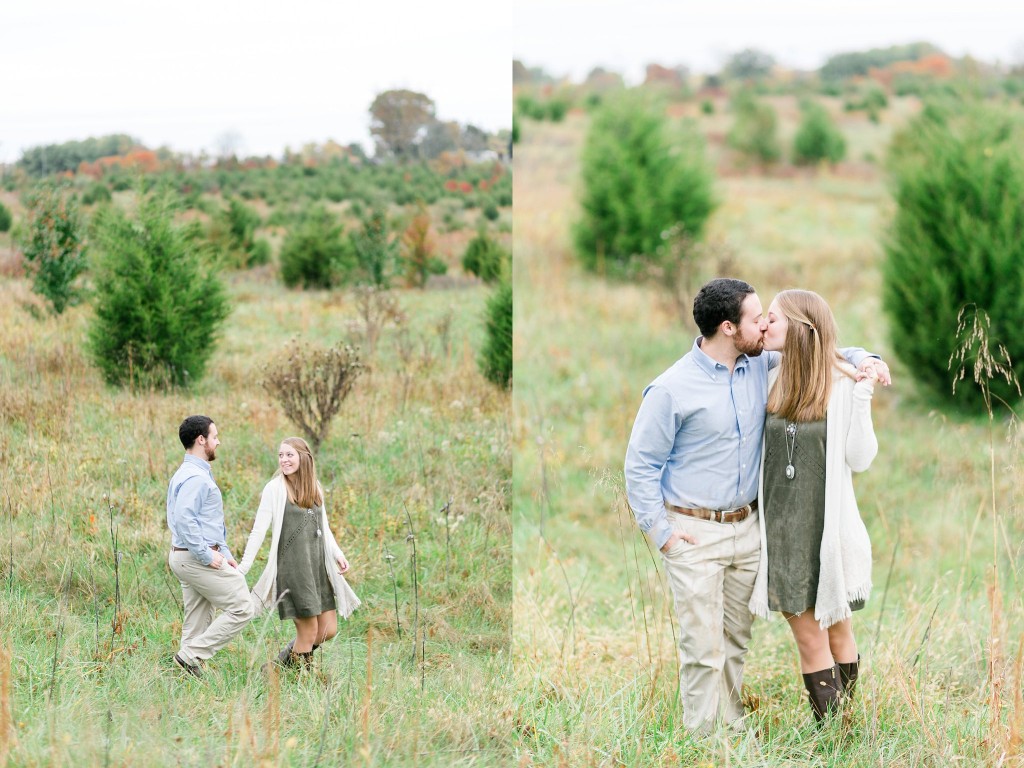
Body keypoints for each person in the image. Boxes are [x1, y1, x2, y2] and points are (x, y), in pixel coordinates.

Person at [623, 278, 889, 734]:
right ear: (729, 328)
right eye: (757, 317)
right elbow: (640, 465)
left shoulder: (759, 365)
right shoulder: (674, 388)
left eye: (770, 316)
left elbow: (822, 346)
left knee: (734, 642)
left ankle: (737, 728)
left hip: (751, 529)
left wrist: (868, 360)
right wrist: (661, 532)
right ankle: (706, 742)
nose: (764, 325)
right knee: (704, 647)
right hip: (698, 531)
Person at [748, 289, 878, 724]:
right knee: (811, 634)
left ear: (800, 328)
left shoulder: (843, 381)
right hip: (782, 532)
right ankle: (842, 729)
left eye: (772, 319)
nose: (764, 326)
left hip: (825, 530)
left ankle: (840, 733)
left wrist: (863, 397)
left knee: (836, 627)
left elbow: (861, 459)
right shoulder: (767, 374)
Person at [238, 437, 360, 670]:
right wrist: (244, 565)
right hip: (293, 569)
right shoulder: (274, 488)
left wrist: (337, 554)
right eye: (281, 455)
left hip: (317, 568)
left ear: (304, 457)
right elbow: (258, 530)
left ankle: (277, 667)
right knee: (309, 630)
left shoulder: (315, 487)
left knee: (328, 629)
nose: (284, 460)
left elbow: (324, 526)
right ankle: (301, 681)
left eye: (289, 455)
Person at [167, 415, 255, 678]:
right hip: (194, 556)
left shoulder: (190, 473)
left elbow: (208, 522)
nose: (219, 442)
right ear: (201, 440)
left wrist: (224, 553)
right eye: (215, 437)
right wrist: (206, 555)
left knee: (197, 618)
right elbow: (185, 519)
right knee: (242, 607)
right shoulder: (195, 477)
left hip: (185, 556)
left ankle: (187, 677)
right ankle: (190, 656)